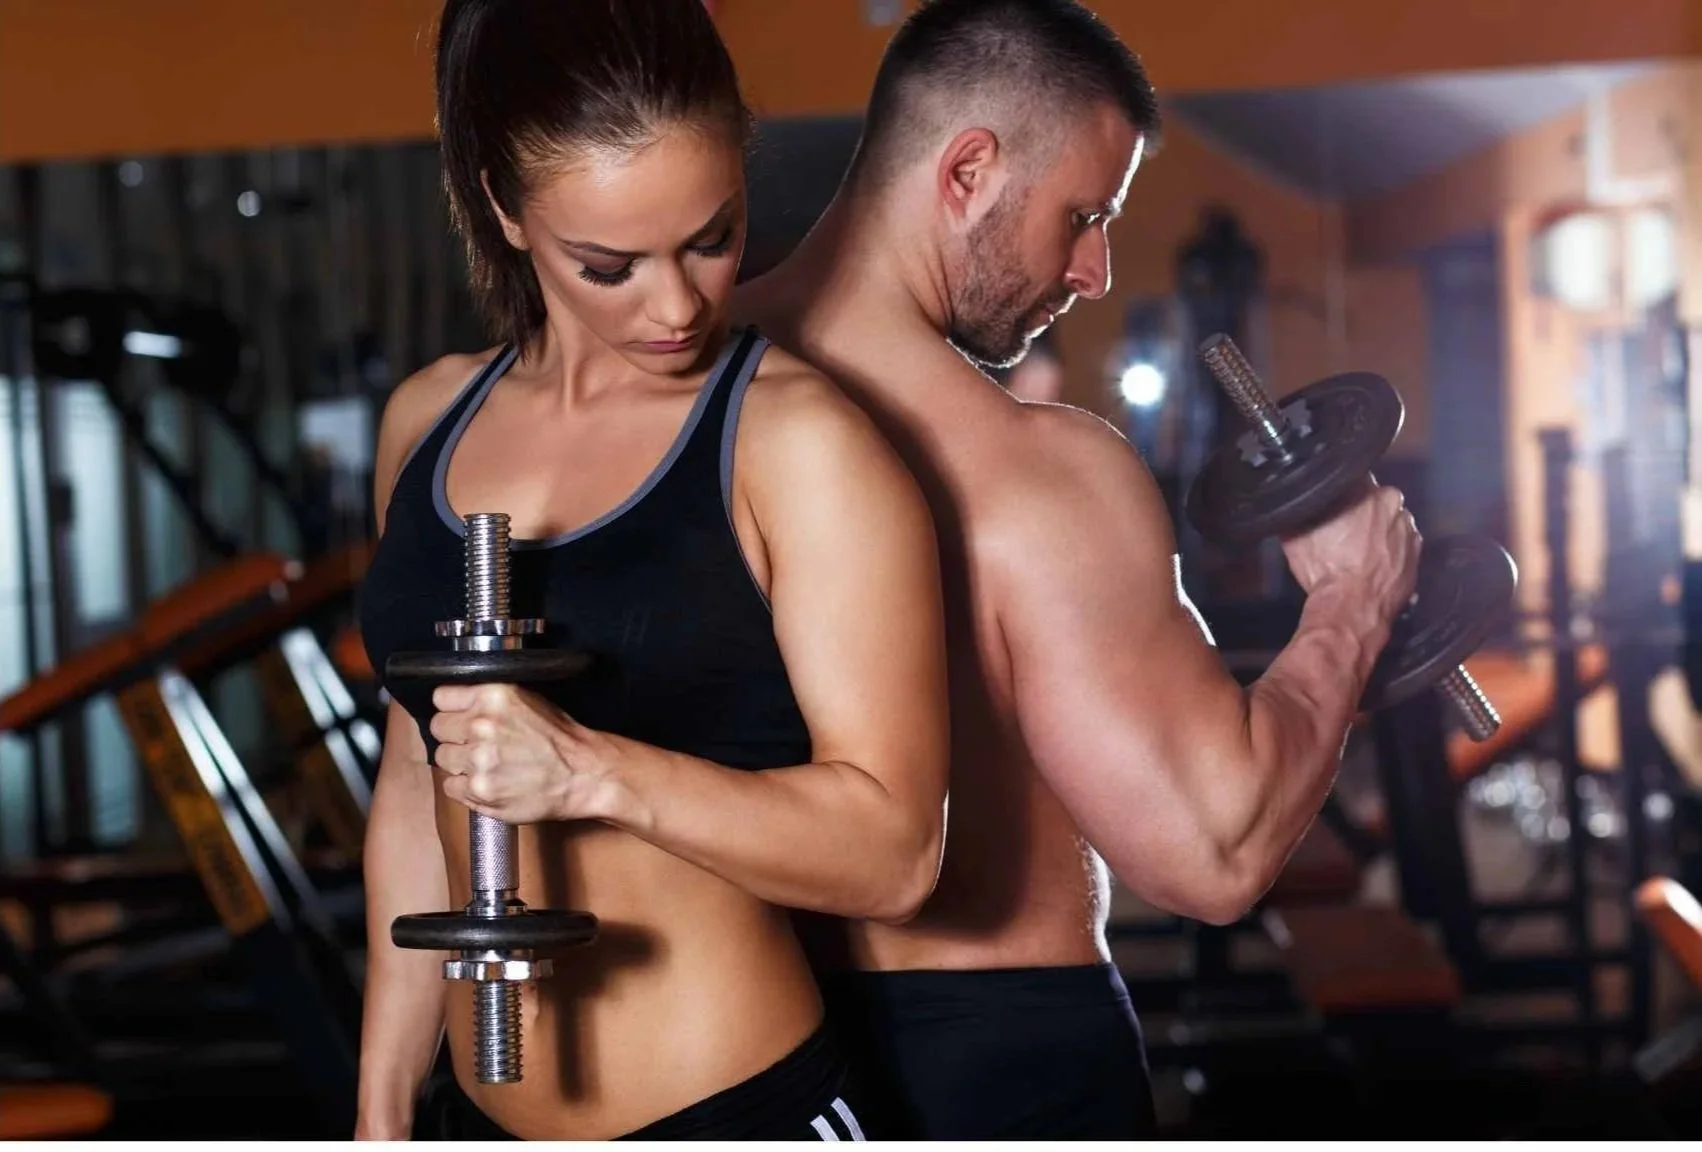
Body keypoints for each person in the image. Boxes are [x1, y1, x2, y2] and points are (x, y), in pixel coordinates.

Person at [735, 0, 1423, 1139]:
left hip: (754, 1068)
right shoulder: (1033, 475)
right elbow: (1213, 845)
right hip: (1003, 1061)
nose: (1097, 271)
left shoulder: (672, 407)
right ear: (967, 173)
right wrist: (1351, 607)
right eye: (1084, 216)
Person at [354, 0, 949, 1140]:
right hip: (472, 1116)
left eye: (713, 236)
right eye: (609, 264)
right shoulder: (423, 423)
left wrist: (588, 772)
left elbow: (894, 853)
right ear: (503, 208)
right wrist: (383, 1106)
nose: (676, 306)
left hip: (733, 1109)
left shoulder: (798, 444)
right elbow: (413, 785)